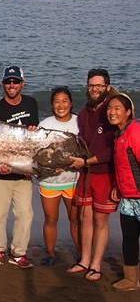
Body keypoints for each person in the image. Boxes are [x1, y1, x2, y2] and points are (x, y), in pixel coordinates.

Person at [67, 68, 118, 281]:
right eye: (91, 85)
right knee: (84, 217)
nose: (94, 89)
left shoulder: (112, 110)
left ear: (106, 86)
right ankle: (84, 260)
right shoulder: (85, 111)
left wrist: (87, 161)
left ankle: (96, 265)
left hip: (104, 173)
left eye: (98, 85)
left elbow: (111, 149)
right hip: (86, 173)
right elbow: (81, 142)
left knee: (100, 220)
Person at [0, 66, 39, 269]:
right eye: (8, 82)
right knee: (0, 214)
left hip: (23, 172)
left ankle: (19, 253)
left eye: (15, 82)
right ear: (3, 85)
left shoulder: (31, 103)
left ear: (22, 84)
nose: (12, 85)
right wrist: (0, 165)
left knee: (25, 214)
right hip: (0, 172)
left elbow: (31, 139)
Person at [37, 86, 81, 266]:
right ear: (51, 104)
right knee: (50, 219)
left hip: (74, 181)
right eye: (56, 101)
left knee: (75, 220)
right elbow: (38, 153)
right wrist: (49, 166)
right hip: (49, 181)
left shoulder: (80, 123)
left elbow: (86, 151)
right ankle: (50, 253)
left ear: (71, 103)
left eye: (64, 101)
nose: (60, 105)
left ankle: (81, 254)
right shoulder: (45, 124)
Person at [108, 93, 140, 291]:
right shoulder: (119, 134)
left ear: (128, 112)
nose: (112, 112)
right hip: (128, 197)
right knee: (129, 238)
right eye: (110, 108)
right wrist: (117, 187)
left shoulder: (135, 131)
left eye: (118, 108)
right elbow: (124, 167)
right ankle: (131, 279)